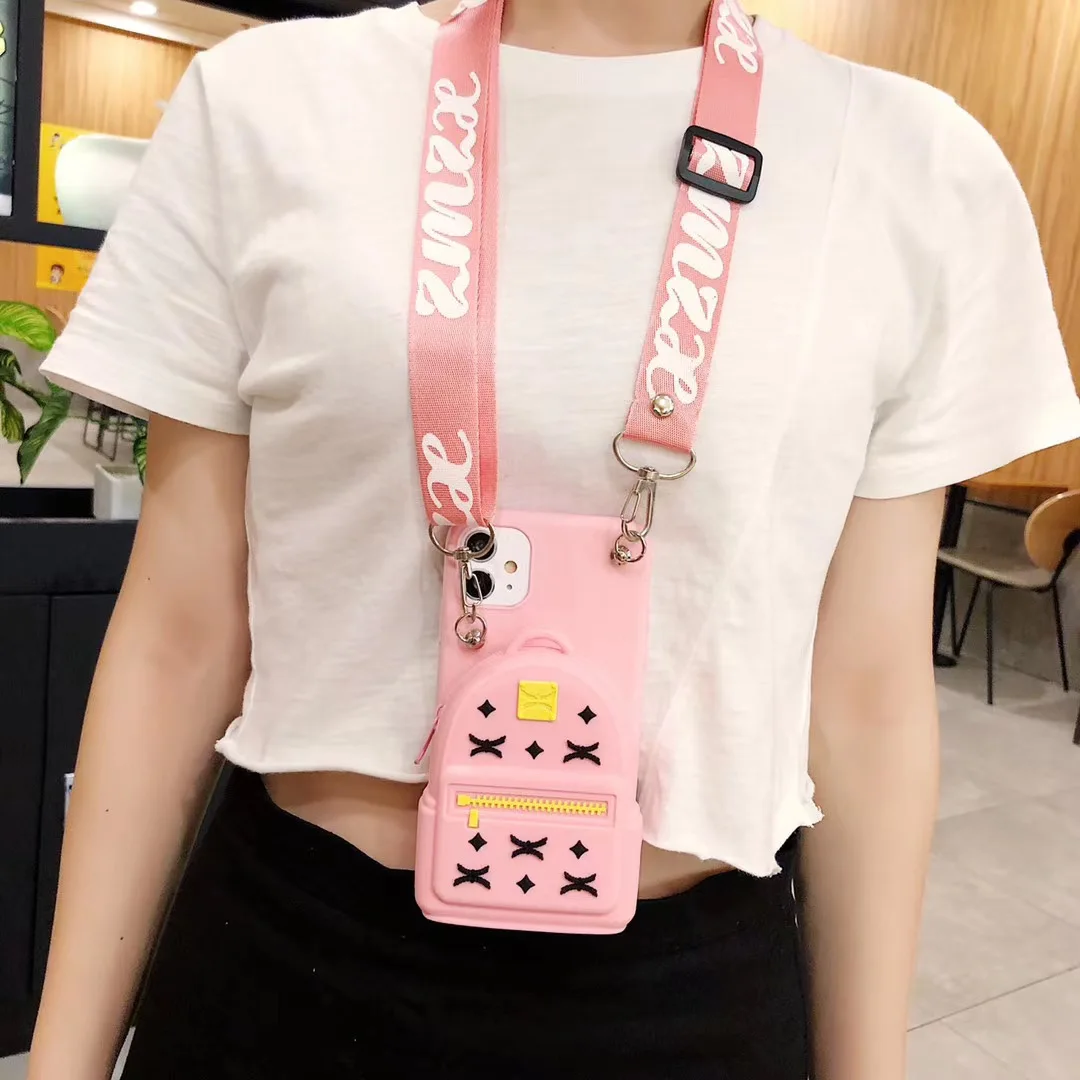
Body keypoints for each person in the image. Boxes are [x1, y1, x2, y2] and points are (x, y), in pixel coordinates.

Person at [28, 1, 1080, 1078]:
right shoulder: (265, 103)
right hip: (285, 964)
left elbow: (868, 701)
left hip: (691, 1003)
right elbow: (178, 639)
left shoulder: (922, 168)